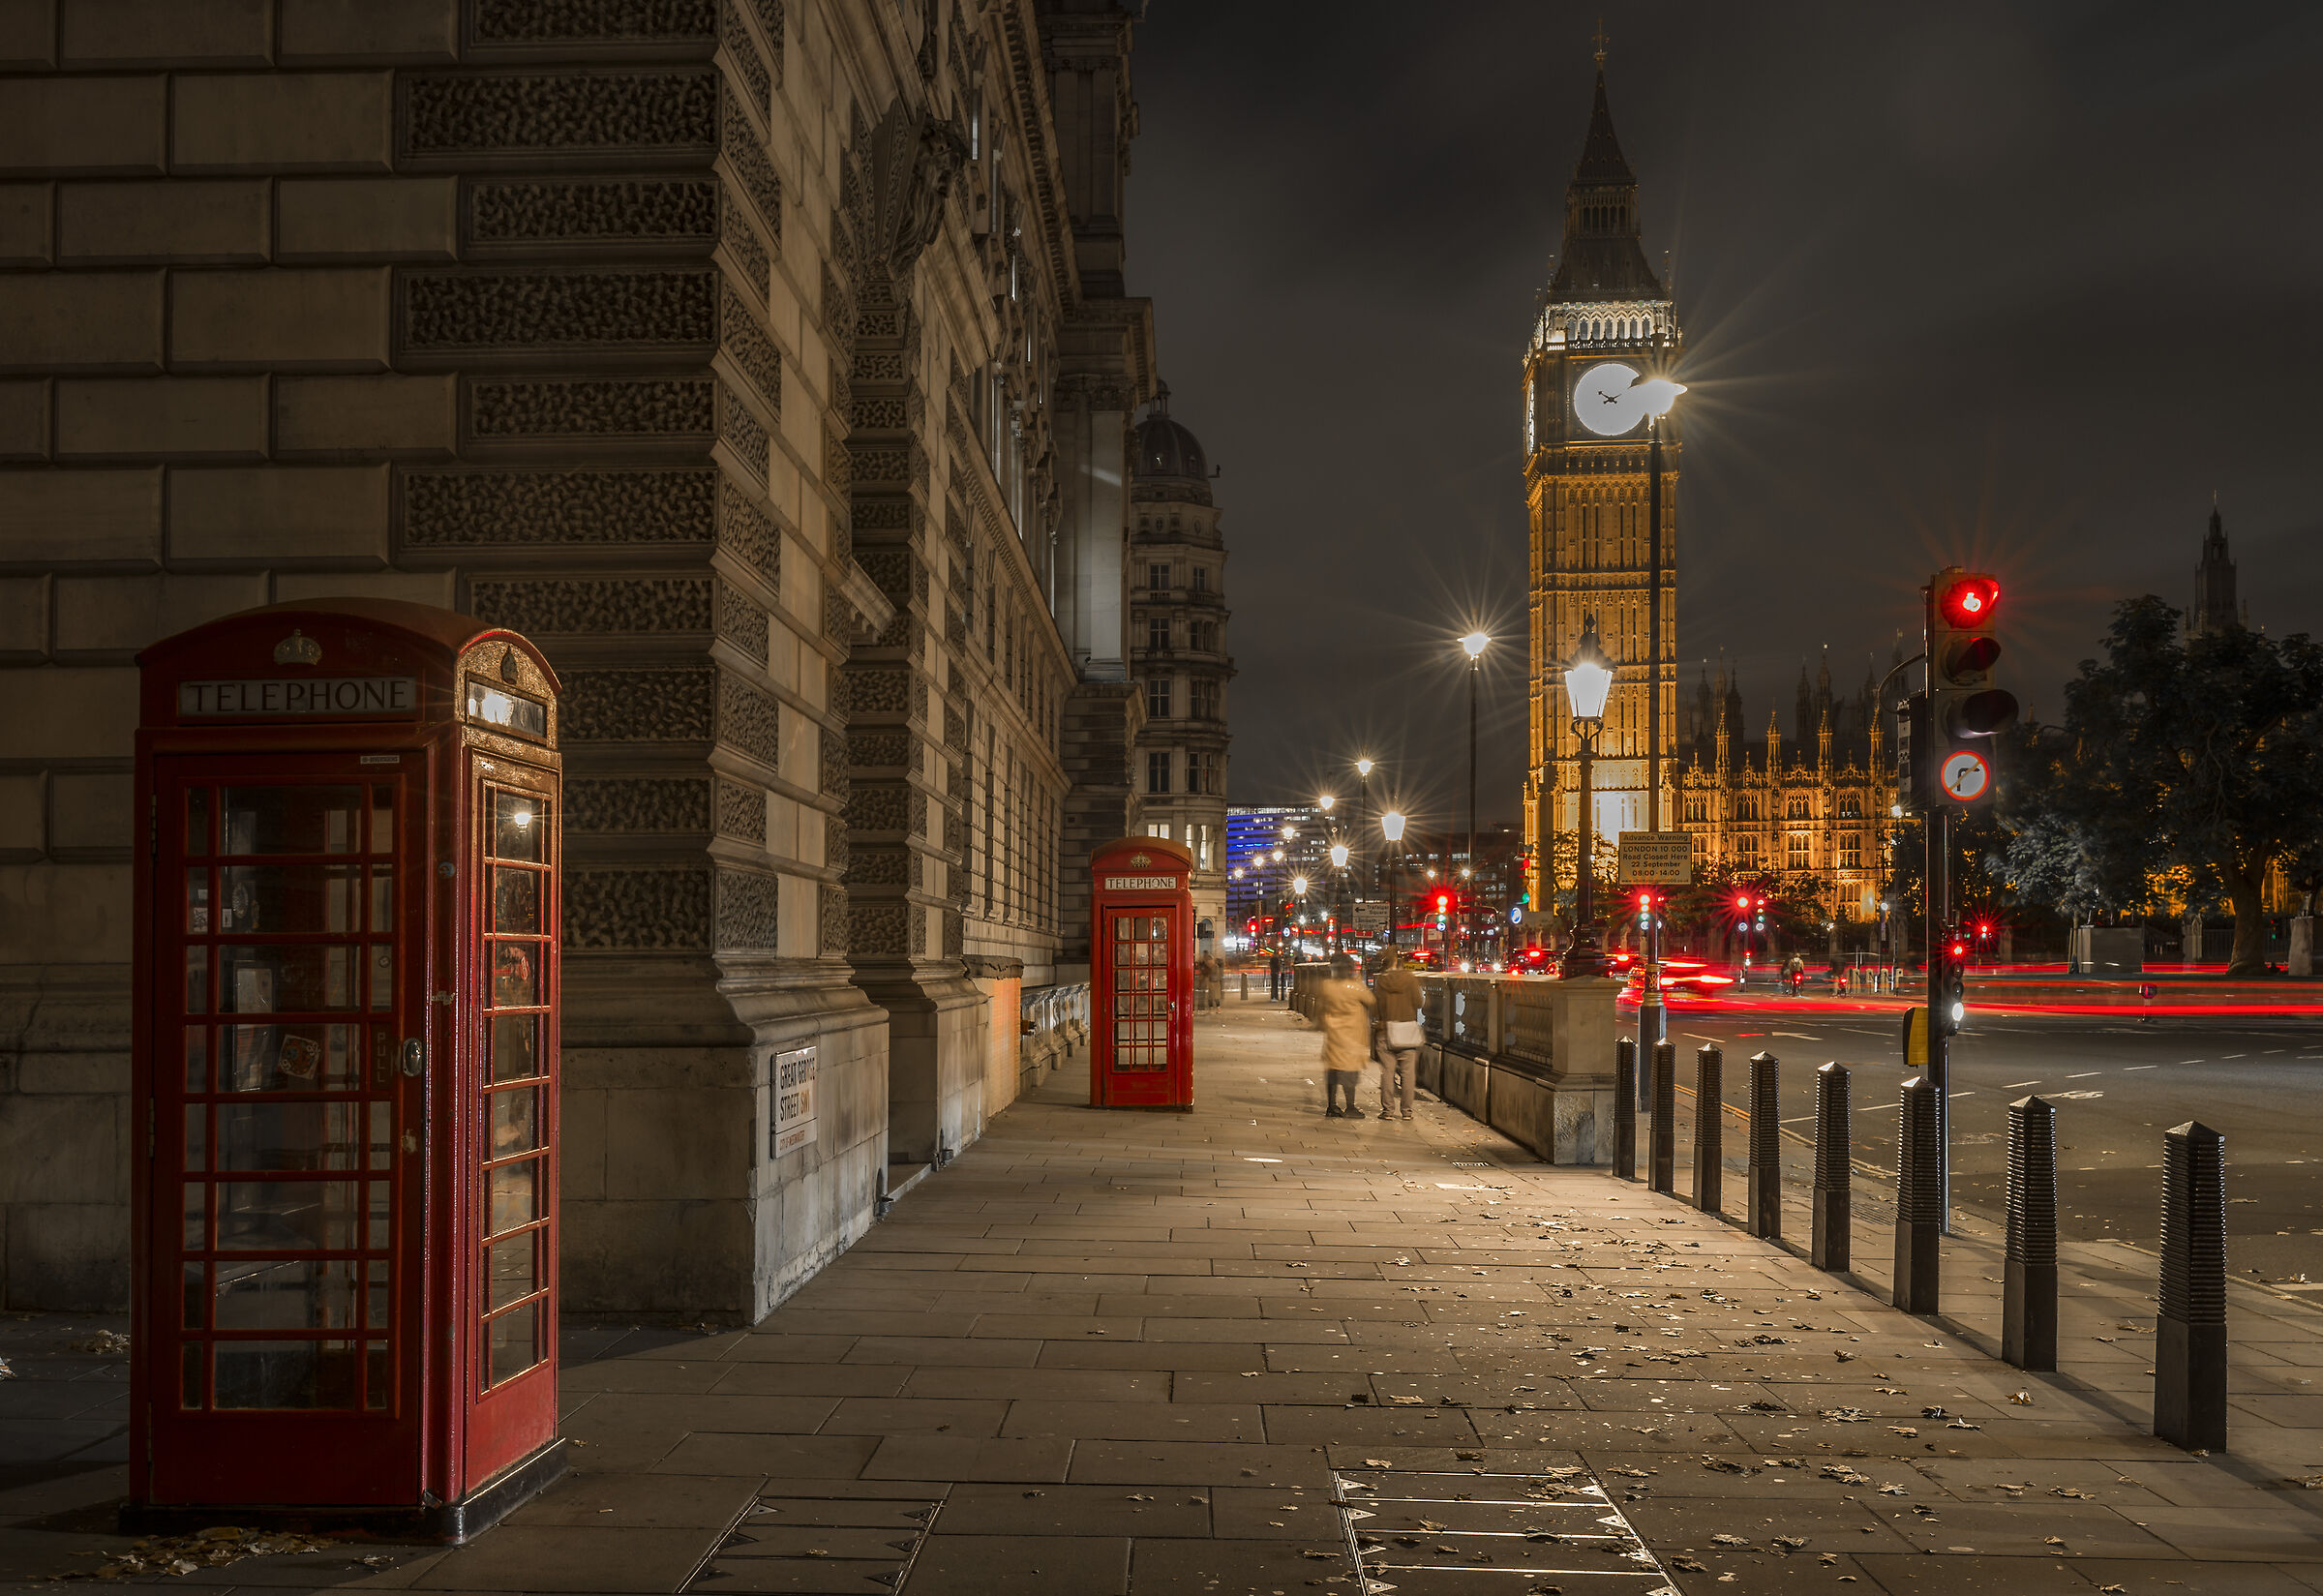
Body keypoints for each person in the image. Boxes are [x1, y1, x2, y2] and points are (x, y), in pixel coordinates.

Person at [1312, 952, 1375, 1118]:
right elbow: (1371, 1000)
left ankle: (1332, 1106)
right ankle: (1350, 1107)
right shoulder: (1354, 987)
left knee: (1332, 1071)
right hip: (1352, 1035)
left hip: (1334, 1034)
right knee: (1350, 1071)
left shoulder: (1327, 986)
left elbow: (1319, 1009)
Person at [1373, 951, 1423, 1121]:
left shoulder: (1381, 981)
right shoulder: (1410, 979)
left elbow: (1375, 1007)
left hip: (1385, 1030)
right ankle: (1407, 1111)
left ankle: (1388, 1111)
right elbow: (1419, 1002)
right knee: (1408, 1074)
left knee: (1387, 1072)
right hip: (1406, 1030)